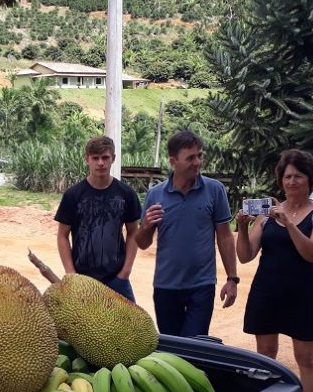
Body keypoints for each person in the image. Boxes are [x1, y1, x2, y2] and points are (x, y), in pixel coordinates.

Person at [236, 150, 313, 392]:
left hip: (301, 294)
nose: (291, 182)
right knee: (266, 354)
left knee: (306, 358)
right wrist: (242, 228)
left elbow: (312, 253)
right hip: (267, 290)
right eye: (287, 176)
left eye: (298, 176)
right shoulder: (266, 217)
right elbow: (245, 256)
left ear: (310, 179)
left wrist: (289, 224)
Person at [135, 130, 238, 336]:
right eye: (190, 158)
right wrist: (145, 226)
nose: (197, 162)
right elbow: (142, 243)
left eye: (199, 155)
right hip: (166, 286)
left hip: (202, 286)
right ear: (173, 161)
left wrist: (232, 279)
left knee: (194, 346)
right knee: (172, 348)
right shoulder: (155, 195)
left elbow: (225, 236)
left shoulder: (214, 190)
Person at [55, 135, 141, 301]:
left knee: (130, 319)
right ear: (87, 159)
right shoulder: (73, 195)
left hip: (117, 278)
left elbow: (133, 233)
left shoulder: (126, 194)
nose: (100, 163)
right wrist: (71, 273)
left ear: (113, 158)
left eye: (105, 157)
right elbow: (62, 236)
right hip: (82, 278)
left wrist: (125, 272)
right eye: (95, 158)